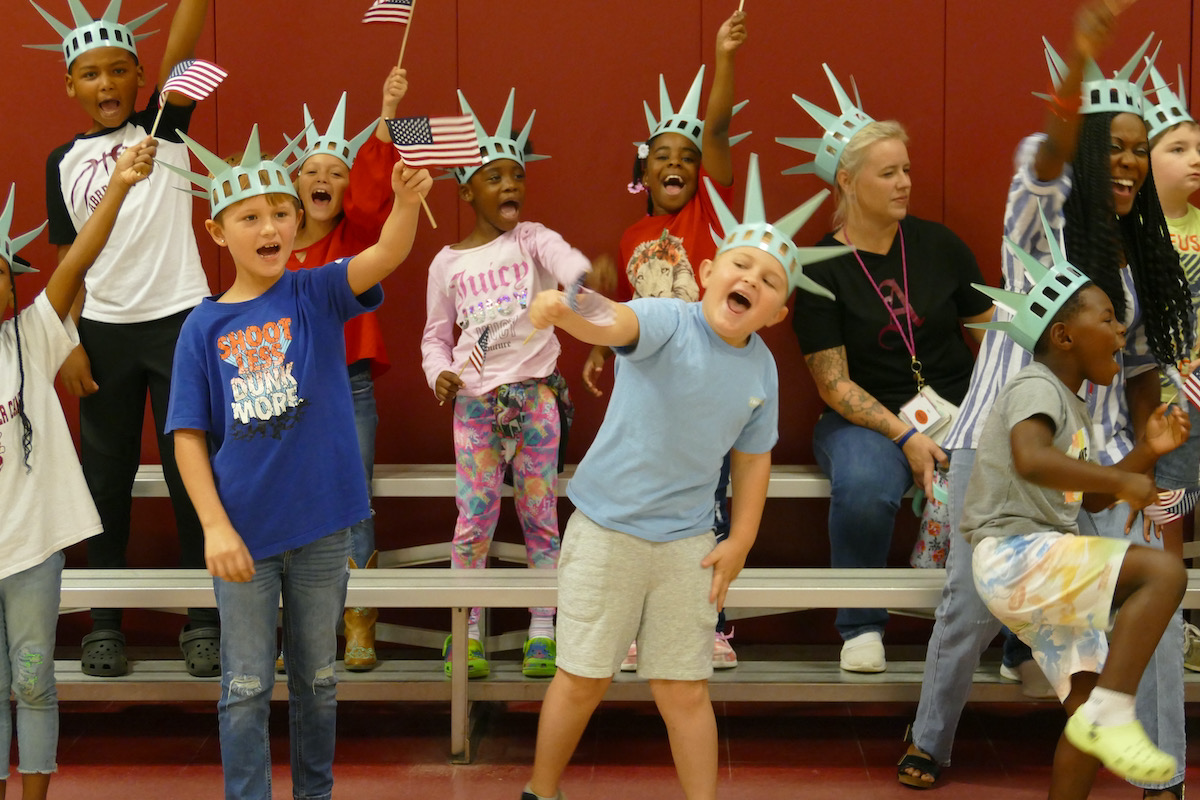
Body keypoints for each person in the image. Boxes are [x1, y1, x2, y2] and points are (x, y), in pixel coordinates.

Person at [898, 5, 1193, 796]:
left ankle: (1162, 775)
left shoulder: (1138, 267)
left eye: (1141, 151)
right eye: (1117, 150)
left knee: (1155, 594)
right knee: (969, 606)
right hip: (1002, 446)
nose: (1130, 164)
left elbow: (1136, 374)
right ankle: (931, 739)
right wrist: (1082, 58)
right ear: (1092, 156)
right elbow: (1047, 151)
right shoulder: (1041, 228)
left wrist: (1149, 473)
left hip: (1098, 464)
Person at [518, 154, 848, 800]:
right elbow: (617, 320)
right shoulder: (670, 321)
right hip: (607, 533)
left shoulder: (763, 374)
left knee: (684, 690)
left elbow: (753, 460)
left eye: (770, 279)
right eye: (741, 264)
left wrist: (742, 538)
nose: (752, 278)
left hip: (687, 548)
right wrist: (566, 311)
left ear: (777, 313)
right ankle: (541, 789)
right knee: (583, 676)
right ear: (706, 274)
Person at [162, 124, 430, 800]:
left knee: (318, 681)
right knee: (246, 686)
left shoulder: (317, 293)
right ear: (218, 232)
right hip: (244, 538)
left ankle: (316, 793)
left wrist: (402, 203)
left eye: (280, 212)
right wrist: (215, 529)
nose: (270, 225)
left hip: (322, 531)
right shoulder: (202, 327)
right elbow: (188, 435)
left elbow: (389, 253)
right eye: (250, 217)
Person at [962, 214, 1188, 798]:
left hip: (1039, 563)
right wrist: (1134, 487)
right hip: (1016, 553)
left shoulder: (1074, 406)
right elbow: (1033, 459)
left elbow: (1088, 493)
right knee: (1163, 570)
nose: (1120, 333)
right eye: (1109, 320)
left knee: (1084, 718)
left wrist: (1145, 452)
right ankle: (1117, 710)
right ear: (1064, 336)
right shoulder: (1035, 386)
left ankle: (1100, 717)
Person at [780, 65, 995, 673]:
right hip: (866, 421)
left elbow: (990, 341)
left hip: (960, 406)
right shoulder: (820, 268)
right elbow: (833, 383)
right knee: (866, 486)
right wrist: (907, 435)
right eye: (889, 172)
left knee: (1012, 477)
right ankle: (860, 626)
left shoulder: (940, 244)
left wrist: (987, 417)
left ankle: (1012, 636)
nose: (905, 182)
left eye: (906, 169)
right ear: (847, 182)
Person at [30, 0, 219, 678]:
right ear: (69, 86)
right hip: (103, 334)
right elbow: (69, 258)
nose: (106, 85)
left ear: (142, 77)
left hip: (183, 327)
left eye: (118, 71)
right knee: (102, 479)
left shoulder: (167, 128)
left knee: (189, 475)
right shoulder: (63, 160)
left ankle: (204, 619)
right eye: (90, 75)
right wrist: (70, 340)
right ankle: (102, 622)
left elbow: (186, 38)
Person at [421, 88, 609, 680]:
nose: (509, 187)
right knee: (473, 520)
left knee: (540, 518)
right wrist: (439, 372)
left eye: (516, 177)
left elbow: (567, 260)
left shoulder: (530, 239)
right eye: (494, 176)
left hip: (536, 401)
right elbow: (434, 336)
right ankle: (466, 628)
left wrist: (580, 277)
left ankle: (544, 629)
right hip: (475, 408)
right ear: (466, 189)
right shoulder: (447, 262)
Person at [583, 8, 748, 672]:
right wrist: (599, 342)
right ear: (642, 173)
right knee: (641, 506)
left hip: (706, 389)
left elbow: (719, 127)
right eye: (662, 158)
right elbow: (630, 314)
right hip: (646, 394)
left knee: (707, 505)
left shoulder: (708, 207)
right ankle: (635, 626)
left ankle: (710, 624)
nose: (677, 164)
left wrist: (724, 56)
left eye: (687, 157)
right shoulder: (630, 239)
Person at [0, 141, 152, 800]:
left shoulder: (32, 335)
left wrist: (116, 186)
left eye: (1, 272)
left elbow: (82, 254)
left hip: (30, 549)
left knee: (32, 677)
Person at [284, 68, 407, 672]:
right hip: (286, 391)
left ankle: (360, 627)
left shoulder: (357, 236)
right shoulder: (276, 243)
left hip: (348, 386)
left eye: (336, 171)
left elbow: (369, 195)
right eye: (313, 172)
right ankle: (303, 629)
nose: (325, 180)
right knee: (292, 501)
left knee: (353, 503)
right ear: (295, 184)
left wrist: (385, 113)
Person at [1145, 63, 1200, 676]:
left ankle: (1176, 618)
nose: (1194, 158)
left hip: (1194, 397)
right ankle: (1163, 616)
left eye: (1199, 148)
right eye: (1177, 148)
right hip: (1148, 402)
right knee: (1163, 506)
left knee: (1178, 504)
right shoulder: (1128, 232)